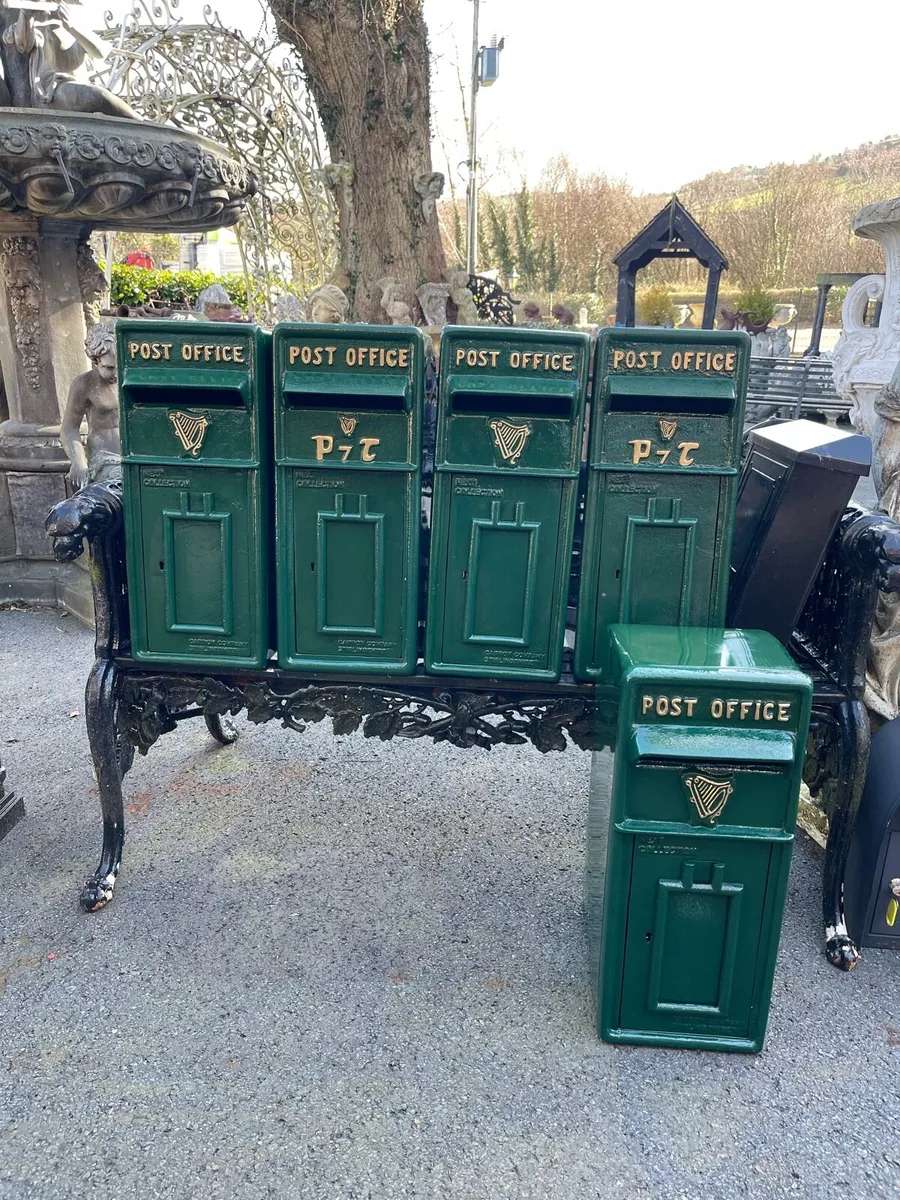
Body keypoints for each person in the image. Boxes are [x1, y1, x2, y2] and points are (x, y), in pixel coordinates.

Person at [59, 322, 120, 491]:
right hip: (103, 458)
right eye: (108, 368)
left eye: (119, 366)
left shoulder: (129, 378)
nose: (115, 373)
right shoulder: (84, 384)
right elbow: (69, 428)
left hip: (133, 458)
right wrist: (78, 462)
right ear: (95, 360)